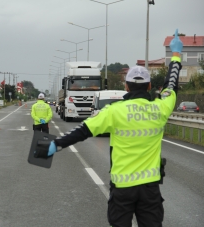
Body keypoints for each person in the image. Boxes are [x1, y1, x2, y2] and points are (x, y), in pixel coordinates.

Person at [46, 29, 183, 227]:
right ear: (149, 85)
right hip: (150, 189)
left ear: (126, 87)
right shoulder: (160, 108)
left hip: (122, 188)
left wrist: (56, 145)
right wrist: (176, 55)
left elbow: (82, 131)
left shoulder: (113, 111)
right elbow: (172, 83)